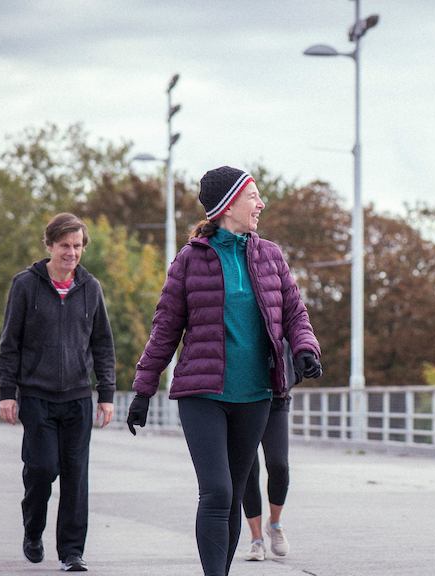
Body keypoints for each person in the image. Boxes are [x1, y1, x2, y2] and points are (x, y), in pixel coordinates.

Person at [126, 166, 322, 576]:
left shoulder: (270, 255)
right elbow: (165, 328)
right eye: (253, 197)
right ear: (228, 205)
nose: (260, 204)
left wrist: (305, 348)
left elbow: (294, 313)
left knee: (232, 495)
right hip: (203, 396)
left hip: (255, 396)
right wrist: (143, 390)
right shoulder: (189, 261)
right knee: (216, 490)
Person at [0, 212, 116, 573]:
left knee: (76, 476)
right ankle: (33, 529)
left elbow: (103, 345)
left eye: (77, 246)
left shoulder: (90, 288)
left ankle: (71, 552)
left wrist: (106, 393)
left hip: (78, 397)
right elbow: (10, 345)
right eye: (65, 245)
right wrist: (7, 392)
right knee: (42, 469)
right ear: (49, 245)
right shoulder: (25, 285)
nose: (72, 252)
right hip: (37, 396)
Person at [243, 342, 298, 562]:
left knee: (279, 464)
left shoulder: (281, 307)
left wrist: (299, 366)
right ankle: (256, 540)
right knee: (248, 469)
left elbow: (298, 334)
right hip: (242, 397)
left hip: (276, 396)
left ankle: (274, 523)